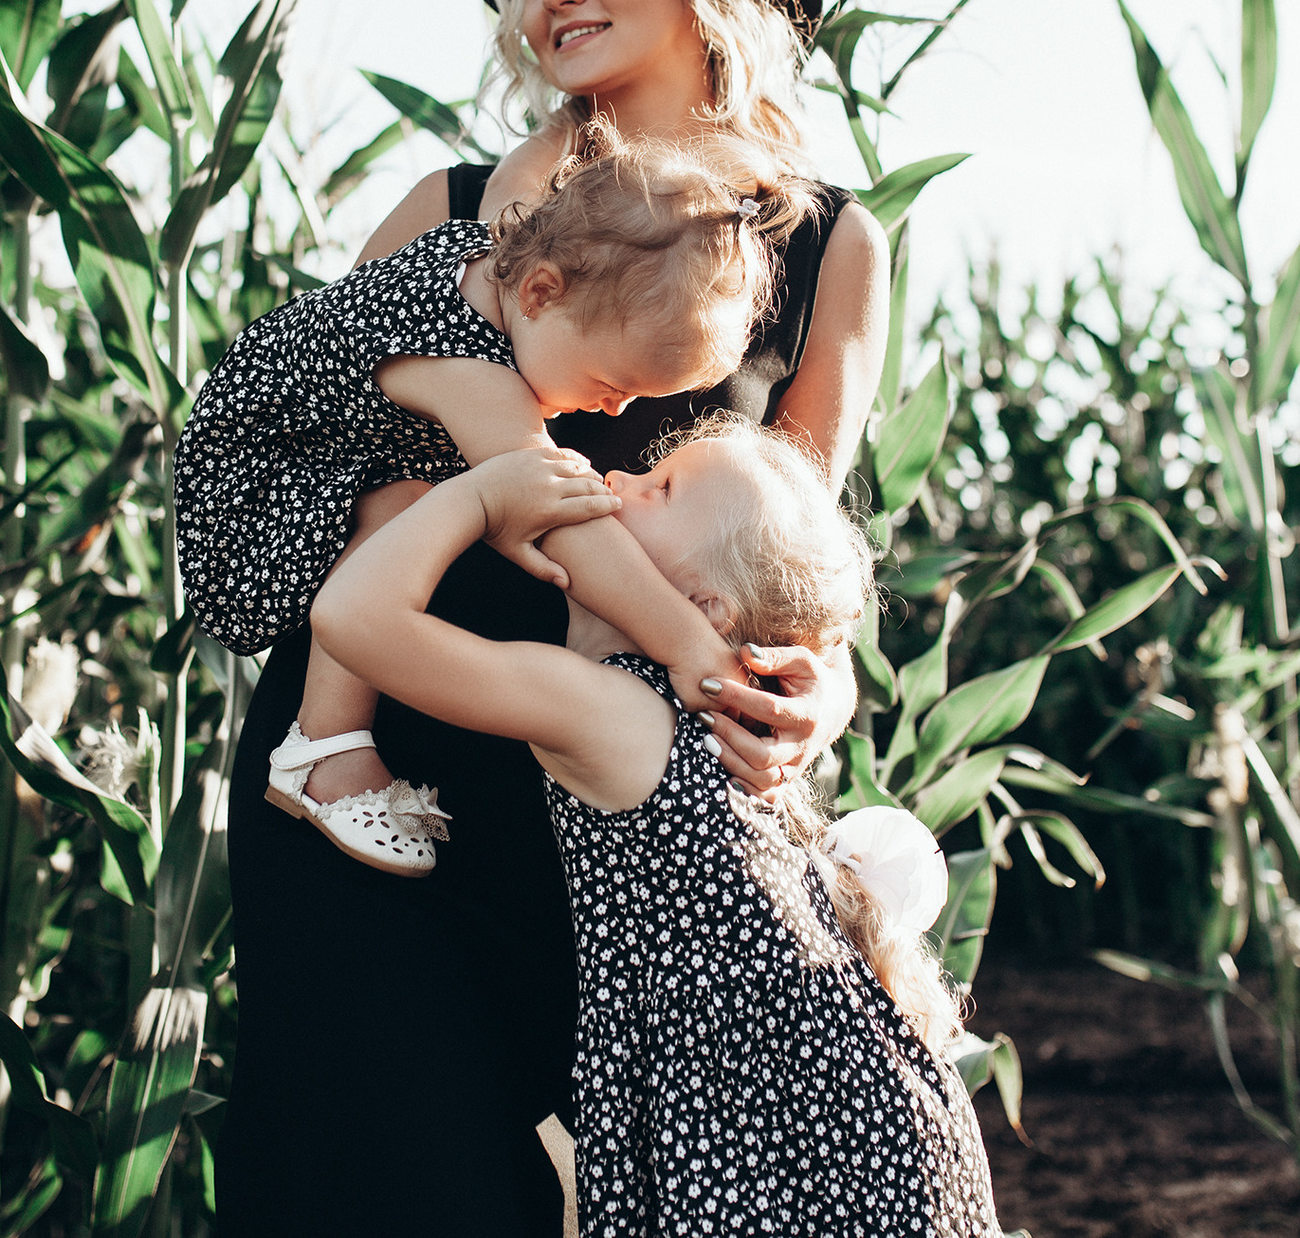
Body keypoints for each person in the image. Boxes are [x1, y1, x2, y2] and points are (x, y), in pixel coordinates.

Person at [217, 0, 888, 1235]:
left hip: (621, 810)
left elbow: (795, 544)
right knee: (403, 1189)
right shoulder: (446, 215)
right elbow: (348, 451)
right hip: (378, 764)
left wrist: (808, 687)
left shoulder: (831, 242)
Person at [313, 427, 1002, 1237]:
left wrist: (480, 494)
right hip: (856, 1130)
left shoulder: (611, 711)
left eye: (661, 487)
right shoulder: (708, 715)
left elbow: (350, 616)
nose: (617, 476)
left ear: (706, 604)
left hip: (798, 1145)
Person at [177, 137, 813, 875]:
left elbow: (520, 176)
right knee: (401, 510)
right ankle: (323, 749)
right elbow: (568, 521)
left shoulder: (508, 237)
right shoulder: (468, 367)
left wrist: (558, 136)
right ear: (541, 292)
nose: (614, 409)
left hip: (307, 445)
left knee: (429, 499)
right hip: (254, 481)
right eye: (614, 380)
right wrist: (692, 649)